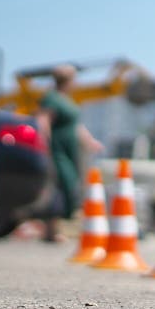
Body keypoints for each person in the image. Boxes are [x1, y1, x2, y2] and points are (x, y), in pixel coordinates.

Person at [36, 65, 104, 242]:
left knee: (69, 183)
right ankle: (50, 230)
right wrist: (45, 146)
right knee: (61, 184)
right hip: (57, 150)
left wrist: (90, 141)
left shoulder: (66, 99)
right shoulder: (51, 98)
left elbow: (76, 126)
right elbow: (43, 122)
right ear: (69, 80)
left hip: (69, 150)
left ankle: (54, 229)